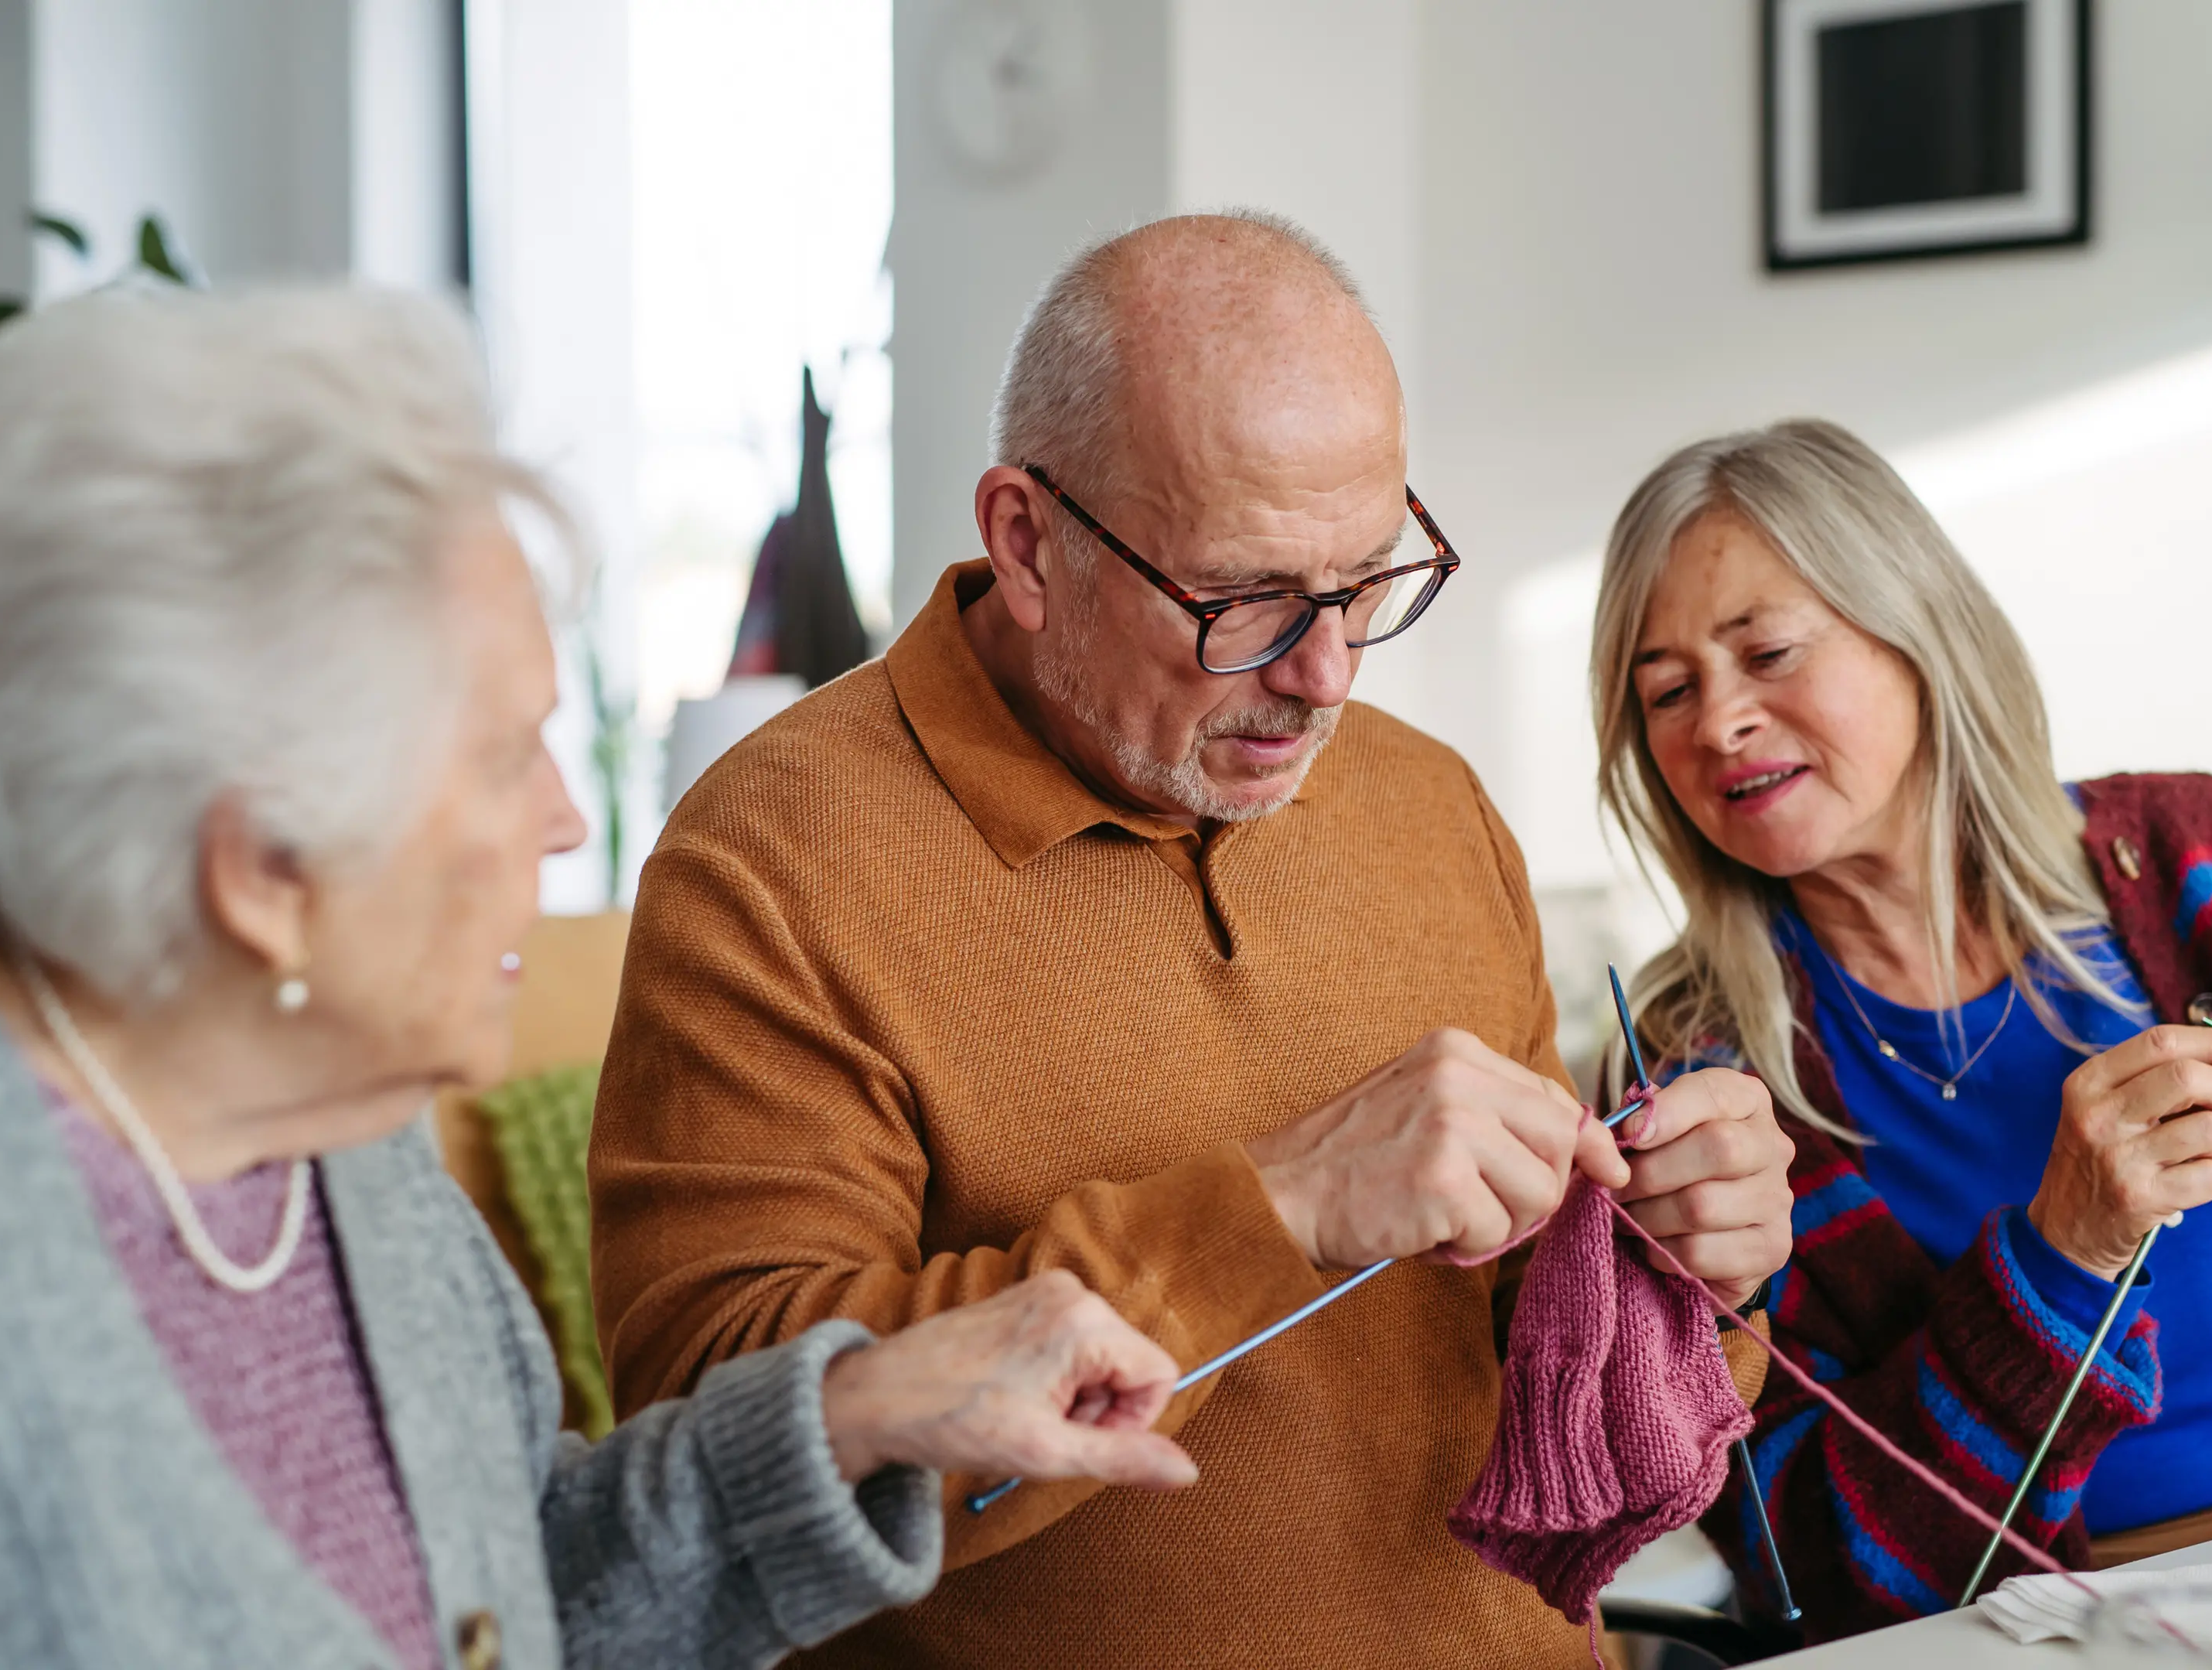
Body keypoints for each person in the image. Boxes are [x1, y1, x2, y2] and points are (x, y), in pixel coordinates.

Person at [0, 287, 1207, 1670]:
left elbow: (490, 1589)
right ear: (263, 872)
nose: (565, 819)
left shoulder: (301, 1081)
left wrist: (858, 1407)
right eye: (504, 756)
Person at [585, 210, 1797, 1668]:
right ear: (1027, 544)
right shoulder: (772, 861)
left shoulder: (1429, 802)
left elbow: (1523, 1363)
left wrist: (1669, 1267)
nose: (1327, 672)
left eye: (1367, 580)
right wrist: (1267, 1211)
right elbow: (725, 1468)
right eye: (1246, 600)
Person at [1586, 419, 2212, 1641]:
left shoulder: (2201, 864)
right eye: (1667, 691)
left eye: (1766, 651)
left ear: (1919, 636)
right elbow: (1808, 1565)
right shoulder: (1692, 1078)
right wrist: (2056, 1257)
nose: (1717, 722)